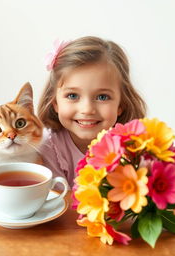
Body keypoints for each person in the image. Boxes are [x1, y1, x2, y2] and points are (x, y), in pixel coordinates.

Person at [38, 36, 146, 189]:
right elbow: (60, 207)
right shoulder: (48, 147)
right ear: (55, 102)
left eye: (102, 97)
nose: (87, 109)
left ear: (121, 104)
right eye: (72, 96)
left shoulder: (134, 146)